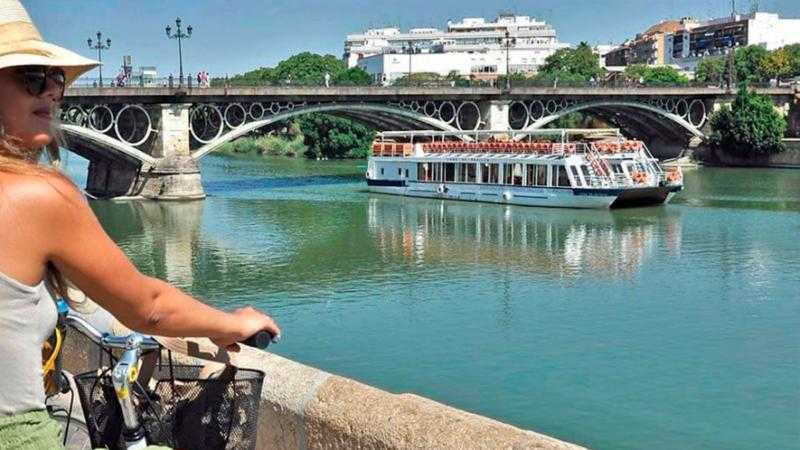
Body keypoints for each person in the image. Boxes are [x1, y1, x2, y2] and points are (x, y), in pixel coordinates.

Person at [0, 1, 281, 447]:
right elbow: (147, 306)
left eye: (56, 79)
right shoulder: (36, 195)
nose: (52, 92)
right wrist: (229, 323)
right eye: (33, 77)